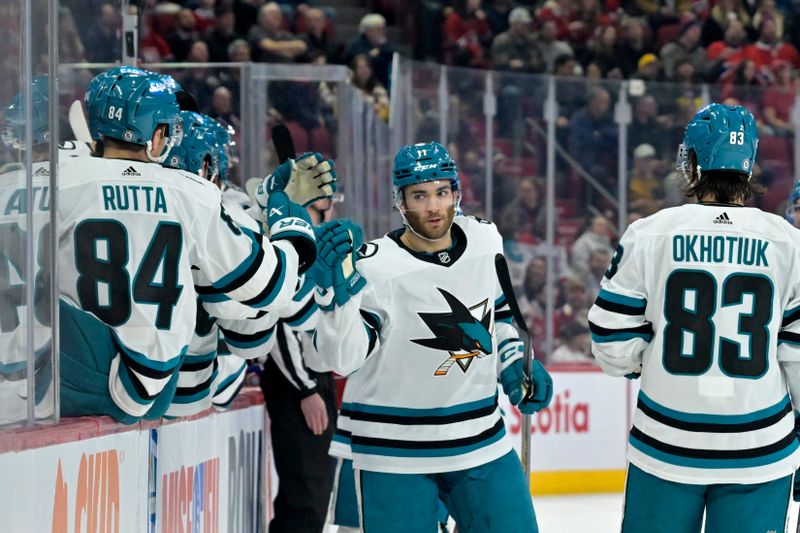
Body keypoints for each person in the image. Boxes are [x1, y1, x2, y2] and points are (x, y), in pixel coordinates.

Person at [57, 69, 334, 423]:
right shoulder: (189, 193)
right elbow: (267, 296)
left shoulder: (60, 177)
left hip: (63, 380)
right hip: (155, 386)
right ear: (157, 136)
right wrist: (288, 222)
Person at [307, 142, 552, 532]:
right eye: (420, 195)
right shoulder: (375, 266)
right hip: (394, 452)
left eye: (441, 192)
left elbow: (502, 314)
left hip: (479, 438)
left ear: (456, 192)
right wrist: (336, 299)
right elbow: (341, 359)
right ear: (400, 201)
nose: (434, 206)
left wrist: (514, 364)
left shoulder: (486, 240)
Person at [588, 103, 800, 533]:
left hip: (665, 443)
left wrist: (658, 362)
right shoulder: (788, 242)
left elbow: (611, 346)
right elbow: (796, 355)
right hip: (759, 449)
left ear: (693, 162)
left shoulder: (649, 233)